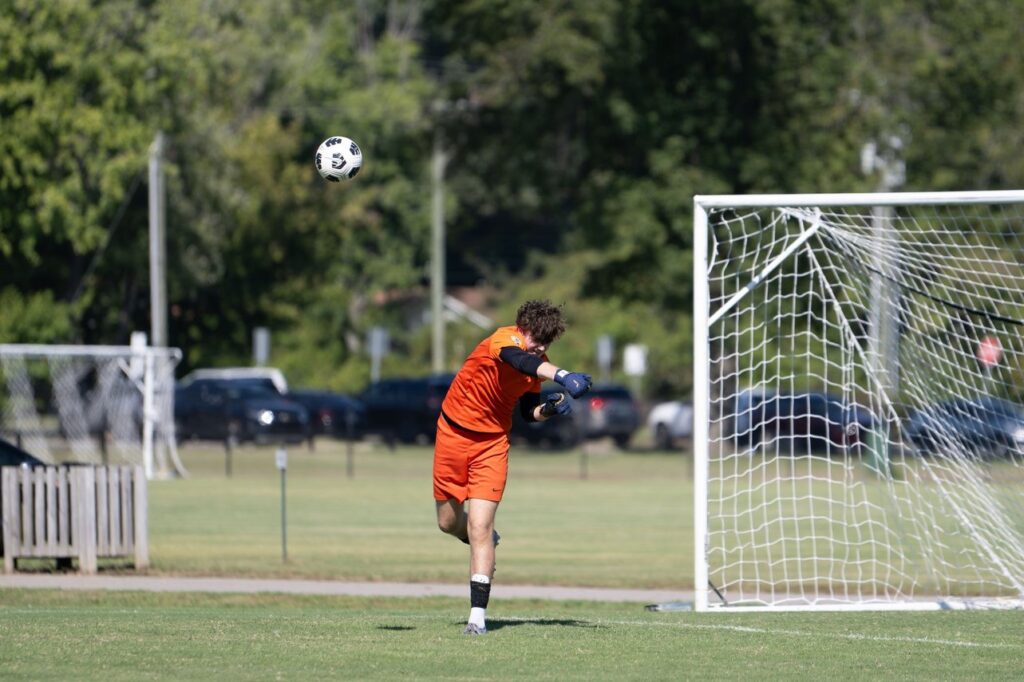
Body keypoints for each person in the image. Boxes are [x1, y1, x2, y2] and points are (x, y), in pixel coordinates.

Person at [433, 299, 592, 635]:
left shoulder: (538, 363)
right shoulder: (503, 340)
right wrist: (562, 376)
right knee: (448, 523)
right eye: (537, 340)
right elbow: (516, 358)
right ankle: (484, 538)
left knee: (479, 526)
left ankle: (477, 618)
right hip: (452, 434)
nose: (540, 349)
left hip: (492, 445)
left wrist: (549, 409)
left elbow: (527, 412)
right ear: (522, 329)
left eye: (547, 344)